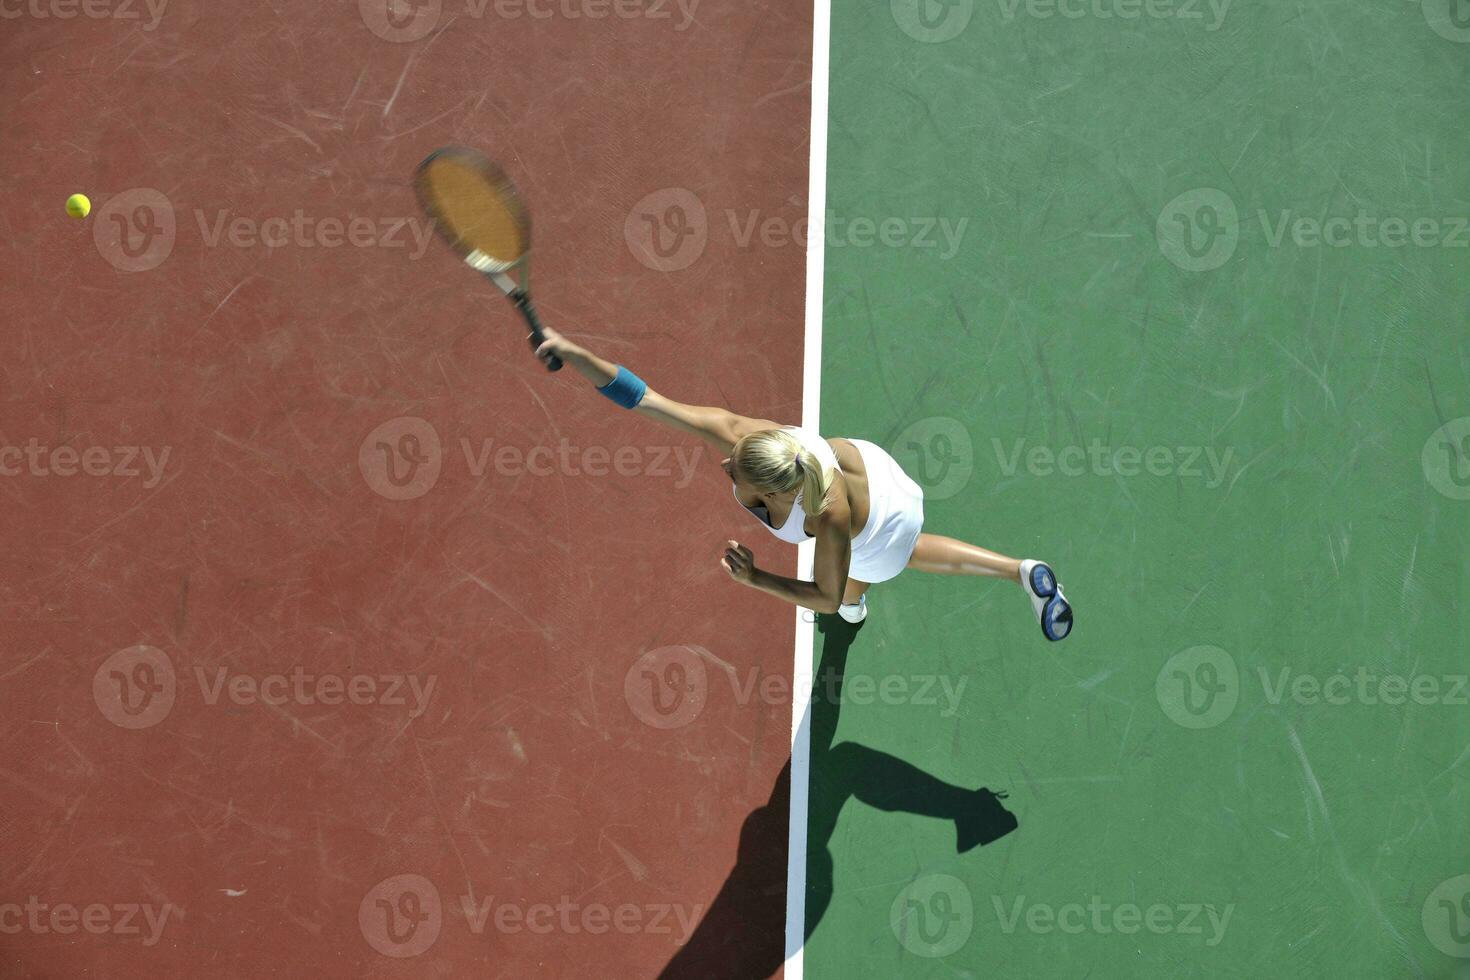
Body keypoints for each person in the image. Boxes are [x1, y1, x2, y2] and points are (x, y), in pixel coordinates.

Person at [532, 329, 1072, 639]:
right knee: (861, 571)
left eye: (735, 475)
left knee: (871, 575)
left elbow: (824, 598)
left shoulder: (826, 519)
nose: (724, 468)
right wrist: (574, 351)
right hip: (864, 469)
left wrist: (757, 579)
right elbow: (645, 399)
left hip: (881, 514)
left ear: (775, 496)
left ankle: (1013, 573)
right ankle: (1020, 571)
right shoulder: (746, 439)